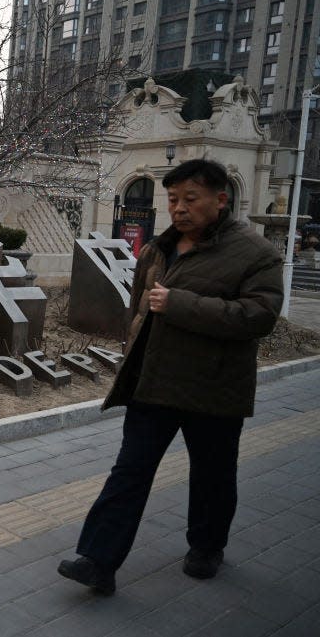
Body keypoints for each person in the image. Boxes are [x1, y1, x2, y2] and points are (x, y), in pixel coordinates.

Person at [58, 159, 283, 595]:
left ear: (221, 200)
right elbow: (137, 315)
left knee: (212, 476)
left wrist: (179, 303)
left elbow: (258, 316)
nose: (179, 209)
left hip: (213, 389)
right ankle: (98, 561)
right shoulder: (157, 249)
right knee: (128, 472)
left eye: (190, 200)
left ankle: (206, 547)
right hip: (153, 383)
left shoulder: (256, 253)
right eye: (173, 200)